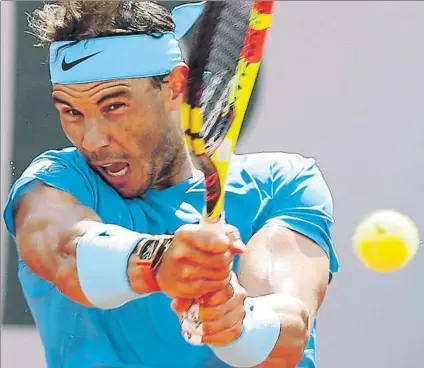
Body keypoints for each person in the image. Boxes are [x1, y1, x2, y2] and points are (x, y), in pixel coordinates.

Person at [3, 1, 339, 367]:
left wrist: (234, 324)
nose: (92, 139)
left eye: (114, 106)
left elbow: (288, 335)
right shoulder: (56, 182)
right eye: (71, 112)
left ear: (176, 87)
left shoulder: (282, 184)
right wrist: (160, 261)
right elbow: (66, 252)